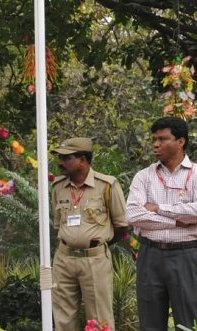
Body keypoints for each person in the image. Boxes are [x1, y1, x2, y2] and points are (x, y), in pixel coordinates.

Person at [126, 117, 197, 330]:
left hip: (187, 255)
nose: (155, 144)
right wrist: (179, 222)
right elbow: (133, 215)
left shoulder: (196, 174)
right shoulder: (144, 176)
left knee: (189, 320)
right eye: (154, 139)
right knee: (150, 322)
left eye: (162, 139)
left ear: (180, 141)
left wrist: (159, 208)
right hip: (150, 256)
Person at [51, 137, 128, 330]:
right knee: (63, 318)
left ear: (83, 160)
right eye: (60, 157)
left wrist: (98, 246)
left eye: (66, 158)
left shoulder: (107, 185)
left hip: (94, 260)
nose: (61, 162)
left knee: (99, 318)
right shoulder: (58, 186)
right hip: (63, 258)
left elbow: (122, 226)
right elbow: (58, 224)